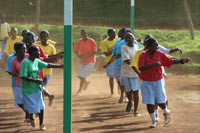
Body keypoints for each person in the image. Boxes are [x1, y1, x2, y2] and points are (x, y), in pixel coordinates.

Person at [138, 38, 191, 128]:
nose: (157, 47)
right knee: (149, 102)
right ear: (149, 46)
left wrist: (182, 61)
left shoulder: (160, 54)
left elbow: (170, 61)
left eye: (157, 45)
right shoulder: (143, 55)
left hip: (158, 80)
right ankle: (154, 121)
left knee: (160, 101)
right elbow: (141, 68)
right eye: (155, 45)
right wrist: (153, 65)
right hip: (146, 82)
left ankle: (165, 111)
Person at [20, 45, 63, 130]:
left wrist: (59, 66)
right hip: (28, 90)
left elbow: (47, 65)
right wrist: (35, 80)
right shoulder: (26, 62)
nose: (39, 53)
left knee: (41, 106)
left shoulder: (36, 61)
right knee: (30, 107)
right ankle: (31, 118)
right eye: (37, 51)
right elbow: (23, 77)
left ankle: (41, 124)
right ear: (32, 53)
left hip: (37, 88)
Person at [104, 28, 126, 103]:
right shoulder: (118, 42)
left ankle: (124, 95)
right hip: (117, 63)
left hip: (125, 64)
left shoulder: (130, 41)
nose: (117, 33)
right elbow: (114, 54)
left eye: (118, 32)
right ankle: (119, 92)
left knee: (123, 79)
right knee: (117, 79)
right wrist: (108, 63)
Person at [121, 32, 140, 116]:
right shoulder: (124, 48)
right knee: (128, 91)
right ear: (125, 40)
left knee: (135, 92)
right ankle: (130, 101)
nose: (130, 39)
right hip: (126, 72)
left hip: (135, 73)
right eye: (128, 37)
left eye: (131, 37)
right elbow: (126, 60)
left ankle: (135, 110)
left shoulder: (137, 47)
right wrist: (135, 65)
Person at [10, 42, 29, 123]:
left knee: (27, 101)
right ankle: (29, 112)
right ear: (17, 51)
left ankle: (28, 116)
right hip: (19, 84)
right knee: (19, 102)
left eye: (25, 49)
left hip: (29, 83)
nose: (25, 50)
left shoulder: (28, 57)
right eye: (22, 49)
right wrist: (14, 73)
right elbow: (12, 71)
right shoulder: (14, 60)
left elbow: (39, 60)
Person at [74, 29, 97, 94]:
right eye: (82, 34)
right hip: (82, 61)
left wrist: (87, 56)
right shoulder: (79, 41)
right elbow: (76, 50)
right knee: (81, 76)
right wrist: (79, 56)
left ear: (87, 34)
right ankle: (86, 83)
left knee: (80, 75)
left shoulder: (91, 41)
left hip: (91, 61)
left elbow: (95, 51)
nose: (83, 35)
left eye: (84, 34)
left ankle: (79, 90)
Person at [101, 28, 118, 97]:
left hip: (118, 60)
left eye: (115, 33)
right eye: (112, 33)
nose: (114, 34)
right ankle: (112, 92)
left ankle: (120, 90)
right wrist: (114, 50)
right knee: (111, 77)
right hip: (109, 61)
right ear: (109, 35)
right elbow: (106, 54)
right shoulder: (104, 42)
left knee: (118, 77)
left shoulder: (117, 39)